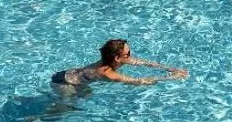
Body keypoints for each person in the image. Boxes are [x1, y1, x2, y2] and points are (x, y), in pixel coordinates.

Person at [51, 38, 187, 94]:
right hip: (64, 83)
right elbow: (138, 82)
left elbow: (143, 62)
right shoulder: (107, 72)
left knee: (87, 94)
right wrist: (171, 78)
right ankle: (42, 118)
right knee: (66, 110)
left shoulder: (111, 60)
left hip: (68, 74)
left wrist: (170, 69)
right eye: (128, 54)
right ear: (117, 58)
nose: (131, 56)